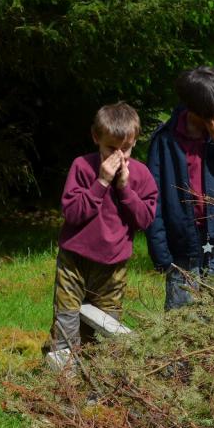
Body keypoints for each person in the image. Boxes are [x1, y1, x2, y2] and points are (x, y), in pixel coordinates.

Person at [48, 101, 158, 357]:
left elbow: (144, 220)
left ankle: (99, 382)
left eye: (126, 149)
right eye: (111, 148)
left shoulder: (141, 175)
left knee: (105, 330)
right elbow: (73, 213)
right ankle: (63, 378)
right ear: (96, 137)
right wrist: (101, 182)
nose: (119, 156)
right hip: (74, 261)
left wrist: (124, 189)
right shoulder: (82, 167)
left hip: (113, 267)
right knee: (66, 321)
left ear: (135, 142)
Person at [145, 66, 214, 309]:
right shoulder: (165, 140)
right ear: (190, 107)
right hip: (182, 242)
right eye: (208, 113)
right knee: (181, 318)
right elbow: (152, 199)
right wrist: (159, 250)